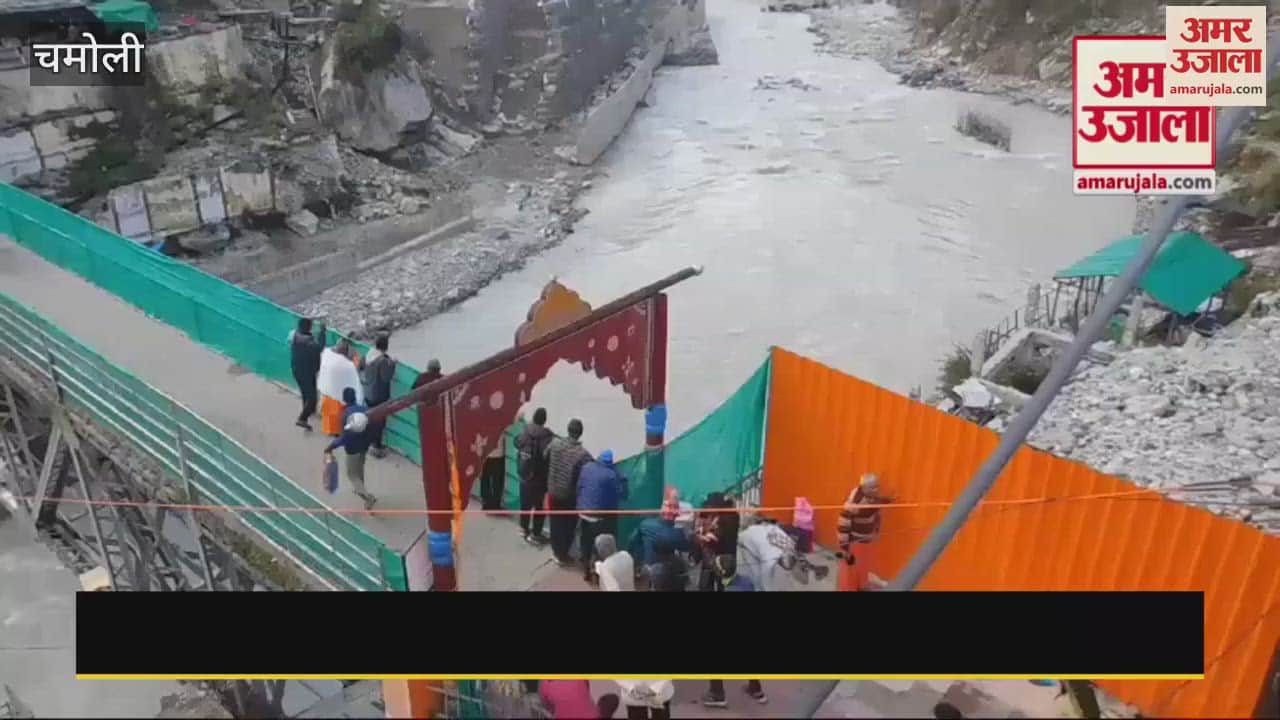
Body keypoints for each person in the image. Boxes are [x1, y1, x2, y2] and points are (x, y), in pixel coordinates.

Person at [577, 449, 628, 584]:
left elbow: (579, 487)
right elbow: (623, 495)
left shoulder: (586, 467)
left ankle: (586, 568)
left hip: (583, 513)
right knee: (601, 544)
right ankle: (599, 573)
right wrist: (623, 479)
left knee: (585, 541)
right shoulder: (611, 475)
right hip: (600, 517)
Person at [545, 418, 591, 565]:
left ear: (568, 430)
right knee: (568, 524)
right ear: (580, 434)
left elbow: (544, 455)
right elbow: (588, 471)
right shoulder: (582, 454)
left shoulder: (555, 443)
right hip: (569, 496)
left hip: (552, 490)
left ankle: (556, 550)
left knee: (555, 521)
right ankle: (562, 554)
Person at [323, 387, 376, 510]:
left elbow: (344, 438)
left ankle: (367, 497)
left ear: (344, 399)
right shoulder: (364, 410)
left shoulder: (346, 415)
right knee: (359, 468)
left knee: (352, 474)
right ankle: (360, 488)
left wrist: (330, 447)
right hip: (364, 446)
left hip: (352, 450)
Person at [837, 473, 890, 592]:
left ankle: (861, 585)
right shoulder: (854, 503)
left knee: (862, 567)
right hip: (854, 542)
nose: (876, 490)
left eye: (877, 486)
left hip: (865, 541)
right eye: (873, 487)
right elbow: (842, 526)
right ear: (864, 488)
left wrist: (876, 530)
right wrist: (844, 548)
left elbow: (875, 511)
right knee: (850, 570)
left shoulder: (872, 497)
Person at [515, 407, 554, 545]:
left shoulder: (525, 432)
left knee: (525, 505)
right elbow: (550, 459)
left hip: (524, 476)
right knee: (539, 507)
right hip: (540, 480)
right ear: (544, 421)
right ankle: (536, 534)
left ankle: (523, 528)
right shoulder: (548, 439)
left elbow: (516, 442)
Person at [631, 488, 691, 569]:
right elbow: (685, 545)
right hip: (658, 576)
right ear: (661, 506)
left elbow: (632, 543)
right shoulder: (651, 526)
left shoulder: (645, 524)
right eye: (669, 506)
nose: (672, 511)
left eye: (675, 507)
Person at [359, 333, 397, 458]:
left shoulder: (368, 354)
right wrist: (393, 364)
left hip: (368, 392)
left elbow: (360, 366)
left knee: (371, 418)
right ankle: (376, 446)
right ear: (386, 346)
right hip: (379, 395)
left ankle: (369, 442)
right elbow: (386, 377)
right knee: (379, 422)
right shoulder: (383, 361)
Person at [694, 492, 740, 593]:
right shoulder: (717, 515)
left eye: (710, 506)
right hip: (712, 557)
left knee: (722, 585)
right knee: (706, 584)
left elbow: (715, 537)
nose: (708, 508)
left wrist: (701, 536)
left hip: (724, 559)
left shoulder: (729, 517)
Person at [318, 339, 364, 437]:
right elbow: (354, 369)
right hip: (338, 398)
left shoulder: (327, 356)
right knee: (338, 417)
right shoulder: (345, 365)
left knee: (330, 417)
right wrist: (355, 356)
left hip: (328, 393)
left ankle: (331, 431)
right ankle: (338, 433)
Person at [288, 318, 326, 431]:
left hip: (298, 369)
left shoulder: (295, 335)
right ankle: (302, 418)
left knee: (306, 393)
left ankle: (310, 411)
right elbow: (319, 347)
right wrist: (322, 332)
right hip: (307, 372)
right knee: (312, 397)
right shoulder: (307, 342)